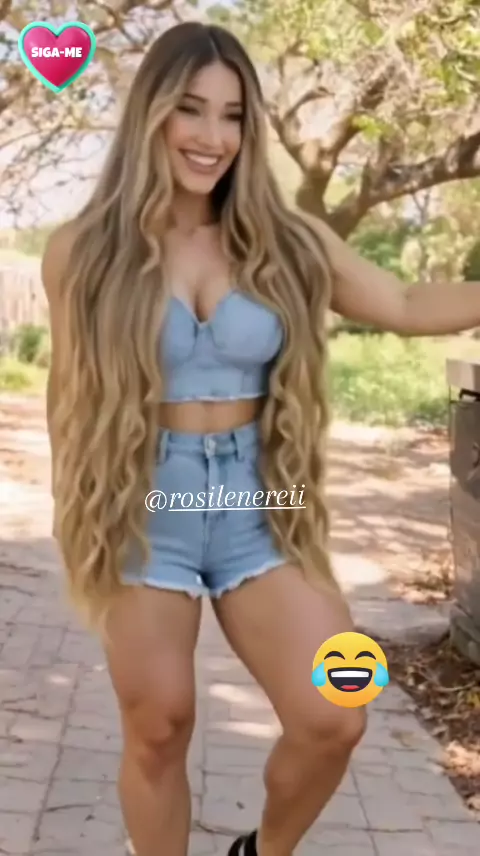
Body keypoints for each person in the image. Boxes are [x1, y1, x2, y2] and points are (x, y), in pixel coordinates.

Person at [42, 20, 480, 856]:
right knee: (159, 724)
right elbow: (68, 400)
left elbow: (405, 304)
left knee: (340, 704)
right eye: (192, 108)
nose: (212, 136)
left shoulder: (287, 238)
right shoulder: (84, 250)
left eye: (234, 115)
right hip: (143, 508)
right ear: (152, 113)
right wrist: (79, 526)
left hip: (267, 505)